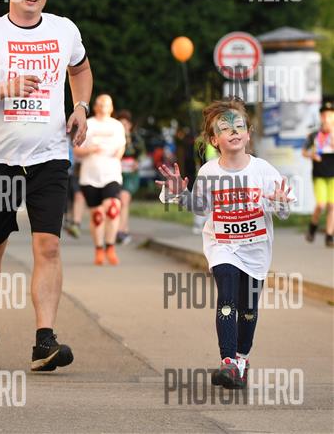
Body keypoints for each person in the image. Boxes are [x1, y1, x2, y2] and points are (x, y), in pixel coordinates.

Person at [0, 0, 91, 372]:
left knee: (48, 245)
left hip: (49, 157)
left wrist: (81, 106)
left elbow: (81, 69)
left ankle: (44, 340)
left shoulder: (64, 30)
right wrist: (6, 87)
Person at [157, 97, 294, 389]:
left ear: (248, 134)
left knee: (248, 309)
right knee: (227, 297)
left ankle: (242, 358)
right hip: (222, 246)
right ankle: (228, 362)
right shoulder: (209, 172)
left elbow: (283, 211)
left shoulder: (262, 170)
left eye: (239, 126)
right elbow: (200, 207)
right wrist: (180, 194)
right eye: (225, 128)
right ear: (213, 139)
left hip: (256, 250)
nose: (233, 131)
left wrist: (281, 202)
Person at [74, 95, 125, 265]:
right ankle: (99, 249)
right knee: (97, 215)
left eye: (107, 104)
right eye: (100, 103)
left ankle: (110, 246)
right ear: (95, 107)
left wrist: (117, 156)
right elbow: (76, 149)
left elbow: (121, 146)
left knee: (113, 208)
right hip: (90, 176)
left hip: (111, 174)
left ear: (111, 107)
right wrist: (90, 150)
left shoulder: (117, 126)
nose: (103, 106)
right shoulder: (88, 124)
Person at [303, 101, 334, 247]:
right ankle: (312, 227)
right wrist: (312, 155)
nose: (327, 117)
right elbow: (304, 152)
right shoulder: (314, 134)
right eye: (324, 115)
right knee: (321, 205)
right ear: (321, 117)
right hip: (319, 173)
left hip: (333, 174)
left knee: (332, 205)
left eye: (330, 115)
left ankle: (329, 236)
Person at [115, 110, 144, 244]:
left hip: (131, 174)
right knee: (119, 202)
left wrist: (137, 162)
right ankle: (123, 229)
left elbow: (142, 153)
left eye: (126, 124)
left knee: (124, 199)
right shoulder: (114, 137)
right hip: (117, 172)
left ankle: (121, 231)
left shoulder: (136, 138)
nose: (124, 126)